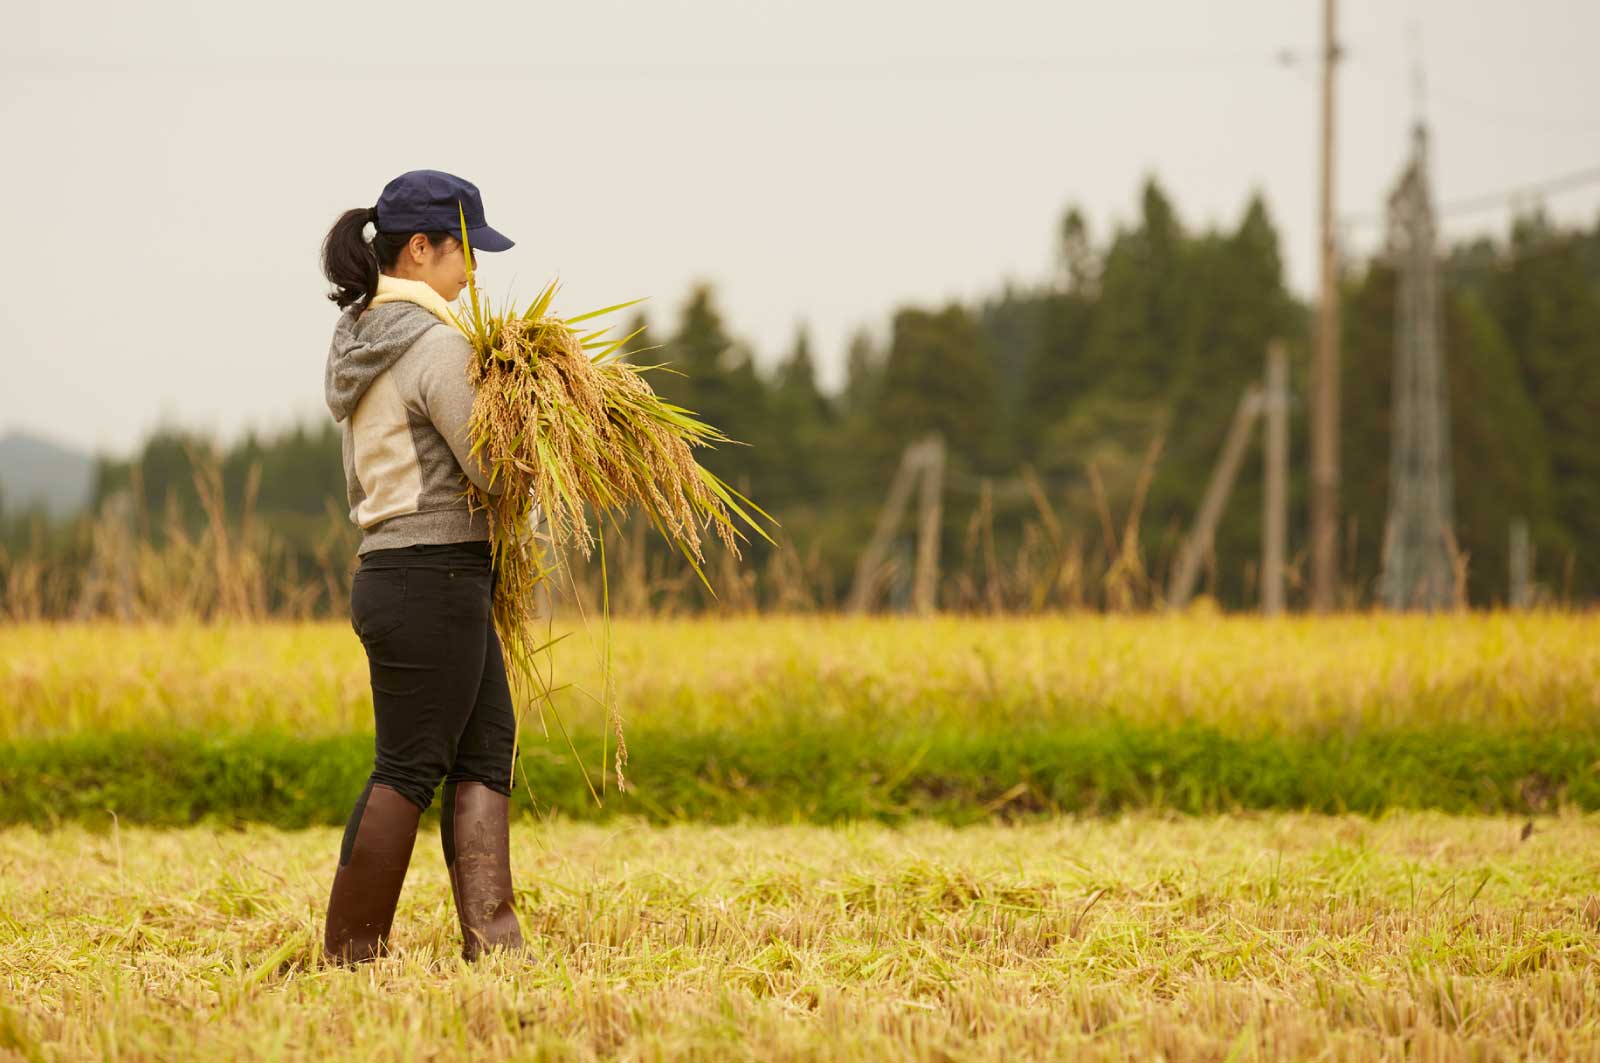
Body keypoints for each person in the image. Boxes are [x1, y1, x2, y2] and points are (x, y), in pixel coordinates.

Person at [318, 169, 524, 964]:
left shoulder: (366, 344)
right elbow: (496, 469)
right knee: (408, 765)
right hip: (431, 573)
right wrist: (541, 428)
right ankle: (353, 953)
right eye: (464, 253)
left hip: (407, 573)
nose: (472, 273)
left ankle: (495, 947)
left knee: (485, 747)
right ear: (421, 248)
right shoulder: (436, 346)